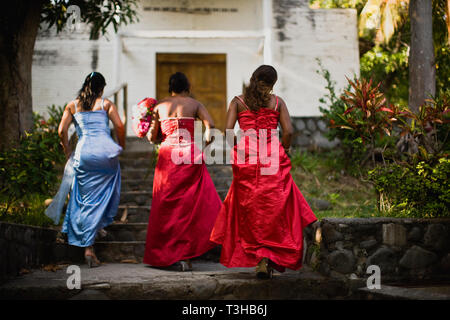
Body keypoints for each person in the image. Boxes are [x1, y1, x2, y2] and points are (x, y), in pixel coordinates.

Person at [210, 65, 317, 278]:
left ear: (253, 78)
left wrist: (238, 149)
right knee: (273, 206)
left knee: (249, 207)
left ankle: (258, 255)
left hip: (246, 157)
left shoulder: (238, 102)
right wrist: (284, 149)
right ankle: (267, 256)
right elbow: (288, 131)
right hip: (272, 157)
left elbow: (228, 130)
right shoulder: (277, 102)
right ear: (273, 83)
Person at [143, 72, 222, 271]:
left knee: (166, 206)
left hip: (168, 155)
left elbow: (153, 137)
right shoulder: (195, 104)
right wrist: (205, 143)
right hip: (190, 154)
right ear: (187, 87)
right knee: (190, 207)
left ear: (170, 87)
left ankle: (169, 254)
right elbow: (210, 125)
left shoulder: (159, 106)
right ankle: (186, 255)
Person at [58, 72, 125, 267]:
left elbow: (62, 131)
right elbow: (119, 126)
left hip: (84, 153)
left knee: (84, 199)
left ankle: (89, 243)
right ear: (102, 88)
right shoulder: (106, 104)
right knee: (106, 191)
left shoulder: (73, 105)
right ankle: (94, 236)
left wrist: (68, 151)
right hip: (106, 153)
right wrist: (121, 146)